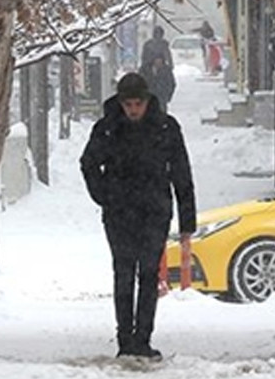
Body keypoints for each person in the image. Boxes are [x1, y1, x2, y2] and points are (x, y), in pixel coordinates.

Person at [79, 72, 196, 360]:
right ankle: (125, 340)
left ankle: (143, 339)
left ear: (146, 102)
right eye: (128, 104)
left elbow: (181, 173)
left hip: (154, 211)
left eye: (137, 104)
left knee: (148, 275)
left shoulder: (166, 128)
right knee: (123, 273)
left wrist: (186, 222)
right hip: (119, 213)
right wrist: (104, 195)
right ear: (120, 103)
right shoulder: (107, 129)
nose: (133, 110)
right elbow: (89, 163)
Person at [140, 24, 177, 106]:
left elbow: (143, 57)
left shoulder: (149, 44)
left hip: (156, 89)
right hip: (155, 85)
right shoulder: (161, 44)